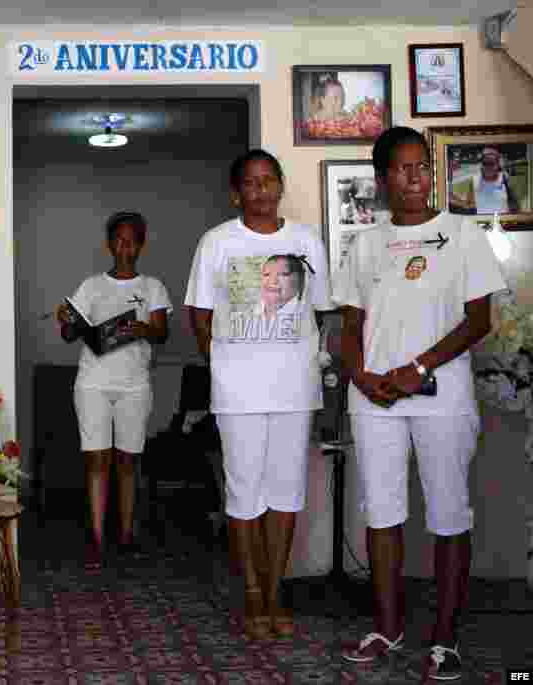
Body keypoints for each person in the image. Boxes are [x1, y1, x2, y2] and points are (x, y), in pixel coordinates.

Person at [336, 127, 506, 680]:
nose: (416, 177)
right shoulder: (364, 243)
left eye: (422, 167)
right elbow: (351, 323)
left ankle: (445, 640)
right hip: (375, 397)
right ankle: (388, 628)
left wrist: (418, 369)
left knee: (449, 514)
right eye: (404, 169)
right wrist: (361, 376)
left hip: (441, 396)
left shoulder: (462, 234)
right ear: (383, 179)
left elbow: (479, 319)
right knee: (382, 514)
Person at [185, 149, 333, 640]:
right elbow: (200, 315)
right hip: (238, 392)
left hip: (294, 387)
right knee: (244, 491)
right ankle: (251, 593)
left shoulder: (306, 240)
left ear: (281, 186)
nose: (262, 190)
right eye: (251, 183)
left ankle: (275, 591)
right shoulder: (217, 242)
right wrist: (223, 362)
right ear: (236, 193)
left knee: (287, 493)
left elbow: (322, 311)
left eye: (269, 181)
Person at [55, 211, 171, 570]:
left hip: (135, 384)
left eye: (132, 240)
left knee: (127, 460)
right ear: (109, 244)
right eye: (119, 240)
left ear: (142, 244)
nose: (126, 247)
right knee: (96, 459)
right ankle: (97, 539)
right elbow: (69, 335)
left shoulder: (153, 287)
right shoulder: (90, 286)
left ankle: (125, 536)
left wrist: (142, 329)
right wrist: (65, 320)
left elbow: (162, 333)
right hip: (93, 383)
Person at [450, 146, 520, 215]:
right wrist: (455, 200)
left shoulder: (504, 178)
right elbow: (469, 205)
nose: (488, 167)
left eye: (491, 163)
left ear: (498, 164)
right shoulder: (475, 180)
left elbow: (514, 205)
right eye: (485, 163)